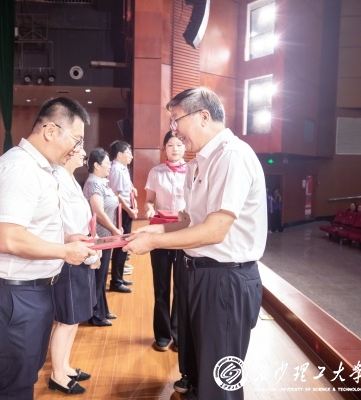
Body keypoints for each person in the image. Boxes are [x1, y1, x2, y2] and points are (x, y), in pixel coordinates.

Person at [124, 87, 266, 400]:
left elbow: (215, 230)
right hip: (201, 272)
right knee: (201, 365)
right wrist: (152, 233)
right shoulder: (200, 161)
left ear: (203, 116)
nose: (174, 130)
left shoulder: (231, 156)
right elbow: (190, 220)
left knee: (220, 381)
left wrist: (155, 244)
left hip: (226, 277)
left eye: (177, 120)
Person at [0, 97, 97, 400]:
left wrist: (67, 239)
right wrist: (64, 252)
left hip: (34, 290)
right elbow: (10, 239)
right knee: (16, 386)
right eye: (76, 139)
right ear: (50, 131)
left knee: (26, 376)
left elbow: (32, 228)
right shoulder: (19, 168)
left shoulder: (41, 169)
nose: (76, 148)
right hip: (17, 294)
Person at [49, 148, 100, 395]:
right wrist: (87, 250)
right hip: (70, 256)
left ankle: (65, 366)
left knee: (75, 318)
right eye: (79, 147)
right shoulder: (58, 178)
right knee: (66, 320)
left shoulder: (71, 178)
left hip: (82, 252)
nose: (84, 153)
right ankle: (57, 374)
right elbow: (65, 225)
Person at [144, 131, 186, 352]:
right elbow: (149, 200)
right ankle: (162, 334)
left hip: (183, 234)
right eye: (170, 145)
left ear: (185, 147)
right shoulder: (156, 172)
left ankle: (178, 334)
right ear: (164, 148)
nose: (175, 149)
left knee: (181, 287)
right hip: (160, 233)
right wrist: (150, 209)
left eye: (179, 144)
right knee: (161, 286)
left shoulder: (193, 171)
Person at [83, 148, 122, 326]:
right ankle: (96, 315)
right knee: (98, 277)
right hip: (100, 237)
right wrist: (114, 230)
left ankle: (103, 310)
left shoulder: (101, 182)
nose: (109, 166)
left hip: (106, 237)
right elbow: (98, 211)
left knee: (102, 275)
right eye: (106, 163)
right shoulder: (93, 183)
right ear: (96, 165)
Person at [108, 140, 138, 293]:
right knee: (121, 246)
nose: (131, 156)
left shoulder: (122, 168)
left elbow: (126, 187)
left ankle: (119, 277)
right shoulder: (116, 170)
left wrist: (133, 189)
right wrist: (129, 210)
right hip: (122, 211)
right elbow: (116, 195)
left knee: (124, 245)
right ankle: (116, 281)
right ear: (119, 155)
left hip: (127, 209)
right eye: (128, 153)